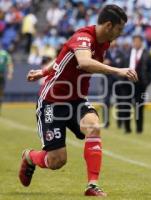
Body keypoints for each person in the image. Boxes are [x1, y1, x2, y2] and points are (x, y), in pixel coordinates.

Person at [19, 5, 138, 197]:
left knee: (94, 126)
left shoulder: (103, 42)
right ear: (109, 25)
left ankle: (92, 185)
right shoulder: (84, 37)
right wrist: (118, 70)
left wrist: (42, 71)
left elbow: (61, 57)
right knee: (57, 160)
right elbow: (83, 62)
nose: (121, 33)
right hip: (52, 101)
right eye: (119, 29)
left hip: (76, 100)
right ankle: (30, 157)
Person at [122, 34, 151, 133]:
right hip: (127, 84)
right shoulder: (127, 53)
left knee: (139, 107)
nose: (136, 43)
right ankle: (127, 128)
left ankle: (139, 129)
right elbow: (121, 66)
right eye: (134, 41)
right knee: (126, 106)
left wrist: (146, 82)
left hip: (140, 85)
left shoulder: (147, 54)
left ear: (141, 42)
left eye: (138, 41)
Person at [0, 48, 14, 114]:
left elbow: (10, 64)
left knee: (1, 94)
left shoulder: (4, 54)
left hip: (1, 76)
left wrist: (10, 73)